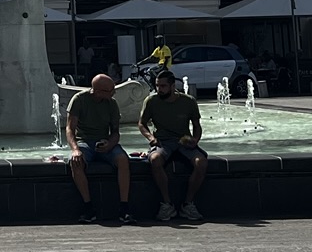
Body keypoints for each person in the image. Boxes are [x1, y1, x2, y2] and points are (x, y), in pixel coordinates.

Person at [138, 67, 207, 224]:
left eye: (163, 86)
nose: (159, 89)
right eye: (157, 86)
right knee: (155, 159)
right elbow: (142, 123)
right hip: (163, 141)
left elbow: (196, 125)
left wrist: (196, 139)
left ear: (172, 86)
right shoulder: (152, 101)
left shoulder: (188, 101)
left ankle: (188, 204)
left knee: (201, 162)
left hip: (183, 140)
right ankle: (167, 203)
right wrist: (150, 137)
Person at [65, 74, 132, 223]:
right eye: (110, 91)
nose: (114, 93)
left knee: (122, 159)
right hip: (84, 142)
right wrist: (75, 149)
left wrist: (110, 144)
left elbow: (115, 132)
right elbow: (70, 128)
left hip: (105, 141)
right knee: (76, 161)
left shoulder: (112, 104)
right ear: (98, 91)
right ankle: (88, 207)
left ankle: (124, 207)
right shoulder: (79, 100)